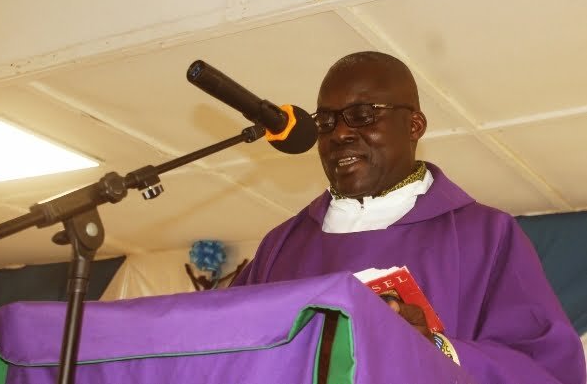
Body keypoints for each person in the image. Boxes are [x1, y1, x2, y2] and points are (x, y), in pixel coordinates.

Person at [232, 51, 586, 383]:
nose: (339, 133)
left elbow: (546, 369)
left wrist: (436, 349)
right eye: (325, 121)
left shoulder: (486, 235)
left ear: (414, 125)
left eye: (362, 115)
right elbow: (224, 355)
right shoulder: (281, 246)